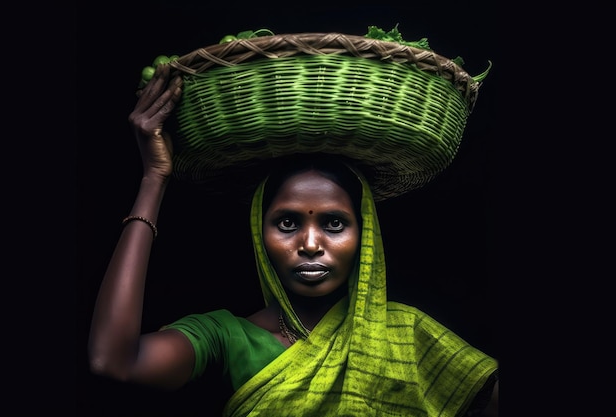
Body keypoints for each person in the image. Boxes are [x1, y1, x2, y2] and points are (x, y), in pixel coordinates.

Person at [88, 60, 498, 415]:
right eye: (287, 223)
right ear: (258, 231)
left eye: (334, 224)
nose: (310, 243)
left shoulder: (409, 334)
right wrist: (153, 179)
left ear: (366, 235)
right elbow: (113, 361)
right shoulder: (227, 338)